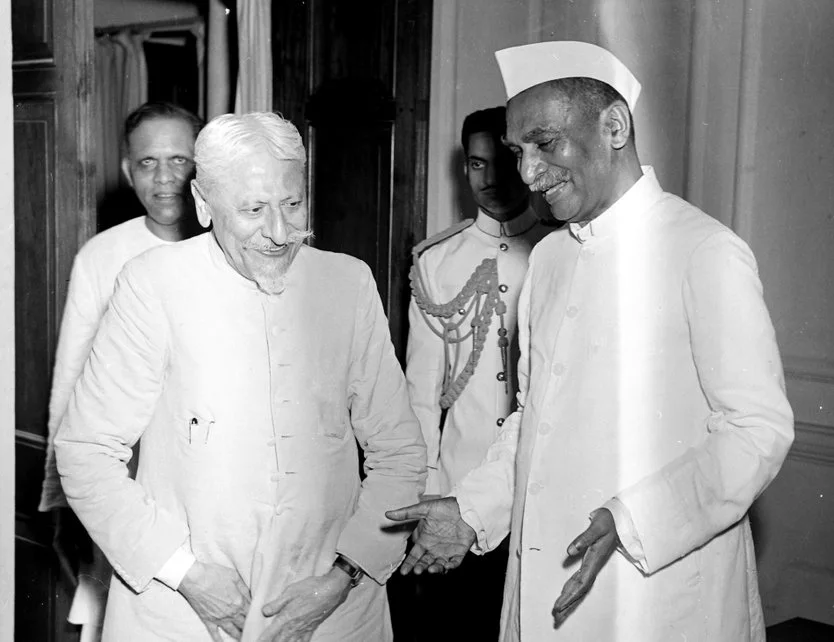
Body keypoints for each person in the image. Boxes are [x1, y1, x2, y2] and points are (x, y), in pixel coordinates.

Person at [387, 41, 795, 641]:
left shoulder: (704, 251)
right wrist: (469, 511)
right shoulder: (548, 258)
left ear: (614, 126)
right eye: (517, 151)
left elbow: (758, 430)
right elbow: (532, 421)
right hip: (544, 577)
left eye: (545, 144)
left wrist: (632, 522)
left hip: (656, 586)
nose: (527, 173)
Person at [55, 112, 426, 641]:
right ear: (204, 206)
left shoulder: (347, 282)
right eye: (253, 210)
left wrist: (344, 576)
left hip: (332, 606)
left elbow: (400, 452)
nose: (280, 233)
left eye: (293, 204)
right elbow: (86, 450)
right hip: (183, 607)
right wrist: (188, 575)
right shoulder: (152, 285)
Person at [38, 101, 204, 642]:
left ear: (203, 166)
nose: (165, 178)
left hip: (206, 475)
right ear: (128, 170)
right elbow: (70, 377)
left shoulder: (228, 248)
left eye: (179, 160)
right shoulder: (101, 256)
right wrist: (60, 491)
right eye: (148, 162)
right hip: (127, 477)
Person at [402, 106, 550, 641]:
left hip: (541, 491)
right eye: (474, 164)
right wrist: (430, 494)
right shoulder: (437, 263)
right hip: (461, 493)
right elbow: (420, 398)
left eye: (500, 163)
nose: (487, 181)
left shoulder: (557, 252)